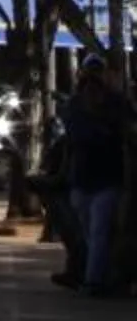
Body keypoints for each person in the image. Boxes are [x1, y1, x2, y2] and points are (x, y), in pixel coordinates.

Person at [61, 56, 132, 297]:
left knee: (100, 228)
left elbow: (125, 132)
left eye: (97, 73)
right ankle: (100, 272)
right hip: (82, 178)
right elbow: (74, 137)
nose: (92, 80)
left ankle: (93, 280)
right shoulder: (74, 105)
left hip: (108, 179)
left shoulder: (116, 103)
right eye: (89, 73)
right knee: (89, 230)